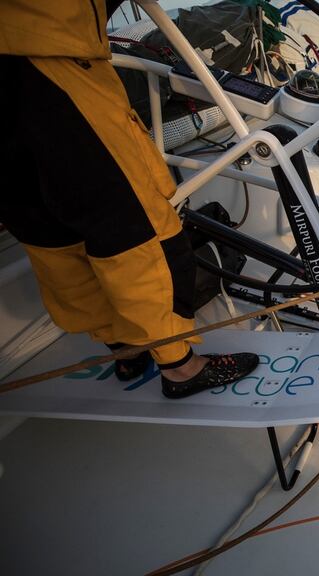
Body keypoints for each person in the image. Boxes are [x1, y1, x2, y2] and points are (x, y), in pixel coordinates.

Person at [0, 0, 257, 398]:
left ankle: (124, 348)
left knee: (47, 230)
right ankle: (179, 366)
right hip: (50, 54)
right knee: (134, 228)